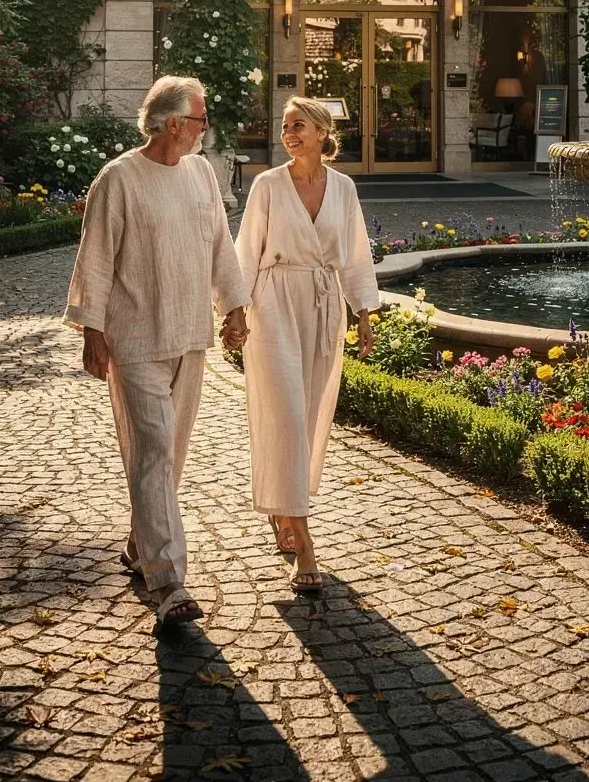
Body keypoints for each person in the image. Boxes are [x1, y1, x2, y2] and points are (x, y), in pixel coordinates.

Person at [64, 75, 250, 633]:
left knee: (170, 454)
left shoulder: (200, 173)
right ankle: (170, 582)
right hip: (136, 338)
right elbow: (95, 257)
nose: (204, 128)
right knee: (153, 451)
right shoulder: (119, 179)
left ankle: (139, 544)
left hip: (190, 333)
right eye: (199, 119)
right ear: (172, 124)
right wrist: (92, 332)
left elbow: (220, 244)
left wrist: (234, 307)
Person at [235, 95, 377, 595]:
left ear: (320, 131)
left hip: (322, 306)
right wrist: (233, 311)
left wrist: (364, 312)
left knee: (310, 415)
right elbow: (246, 251)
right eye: (284, 126)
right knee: (287, 416)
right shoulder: (267, 185)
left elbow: (356, 253)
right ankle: (305, 542)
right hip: (273, 305)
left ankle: (281, 506)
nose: (288, 133)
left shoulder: (342, 188)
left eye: (298, 125)